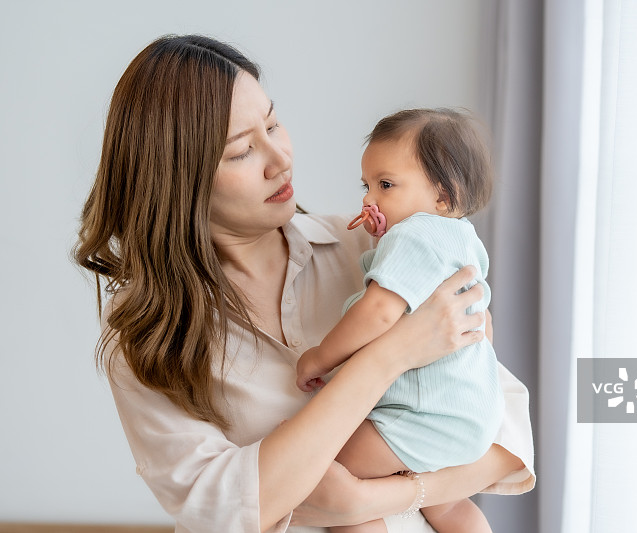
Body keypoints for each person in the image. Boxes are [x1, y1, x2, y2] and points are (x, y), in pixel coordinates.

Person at [74, 34, 535, 533]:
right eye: (242, 150)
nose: (280, 159)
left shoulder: (377, 251)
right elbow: (223, 509)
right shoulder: (149, 335)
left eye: (273, 124)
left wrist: (374, 500)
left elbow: (507, 438)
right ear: (178, 178)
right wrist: (390, 355)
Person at [296, 108, 503, 533]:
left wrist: (319, 357)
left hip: (422, 415)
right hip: (469, 414)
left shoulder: (415, 235)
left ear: (443, 196)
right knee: (448, 505)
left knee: (329, 473)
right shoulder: (460, 237)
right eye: (367, 185)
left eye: (386, 185)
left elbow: (379, 312)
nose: (369, 199)